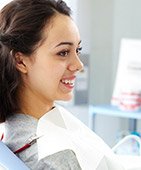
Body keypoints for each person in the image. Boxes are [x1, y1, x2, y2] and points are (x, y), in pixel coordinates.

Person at [0, 0, 83, 169]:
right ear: (21, 61)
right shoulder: (54, 157)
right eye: (63, 52)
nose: (79, 65)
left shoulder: (12, 133)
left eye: (78, 50)